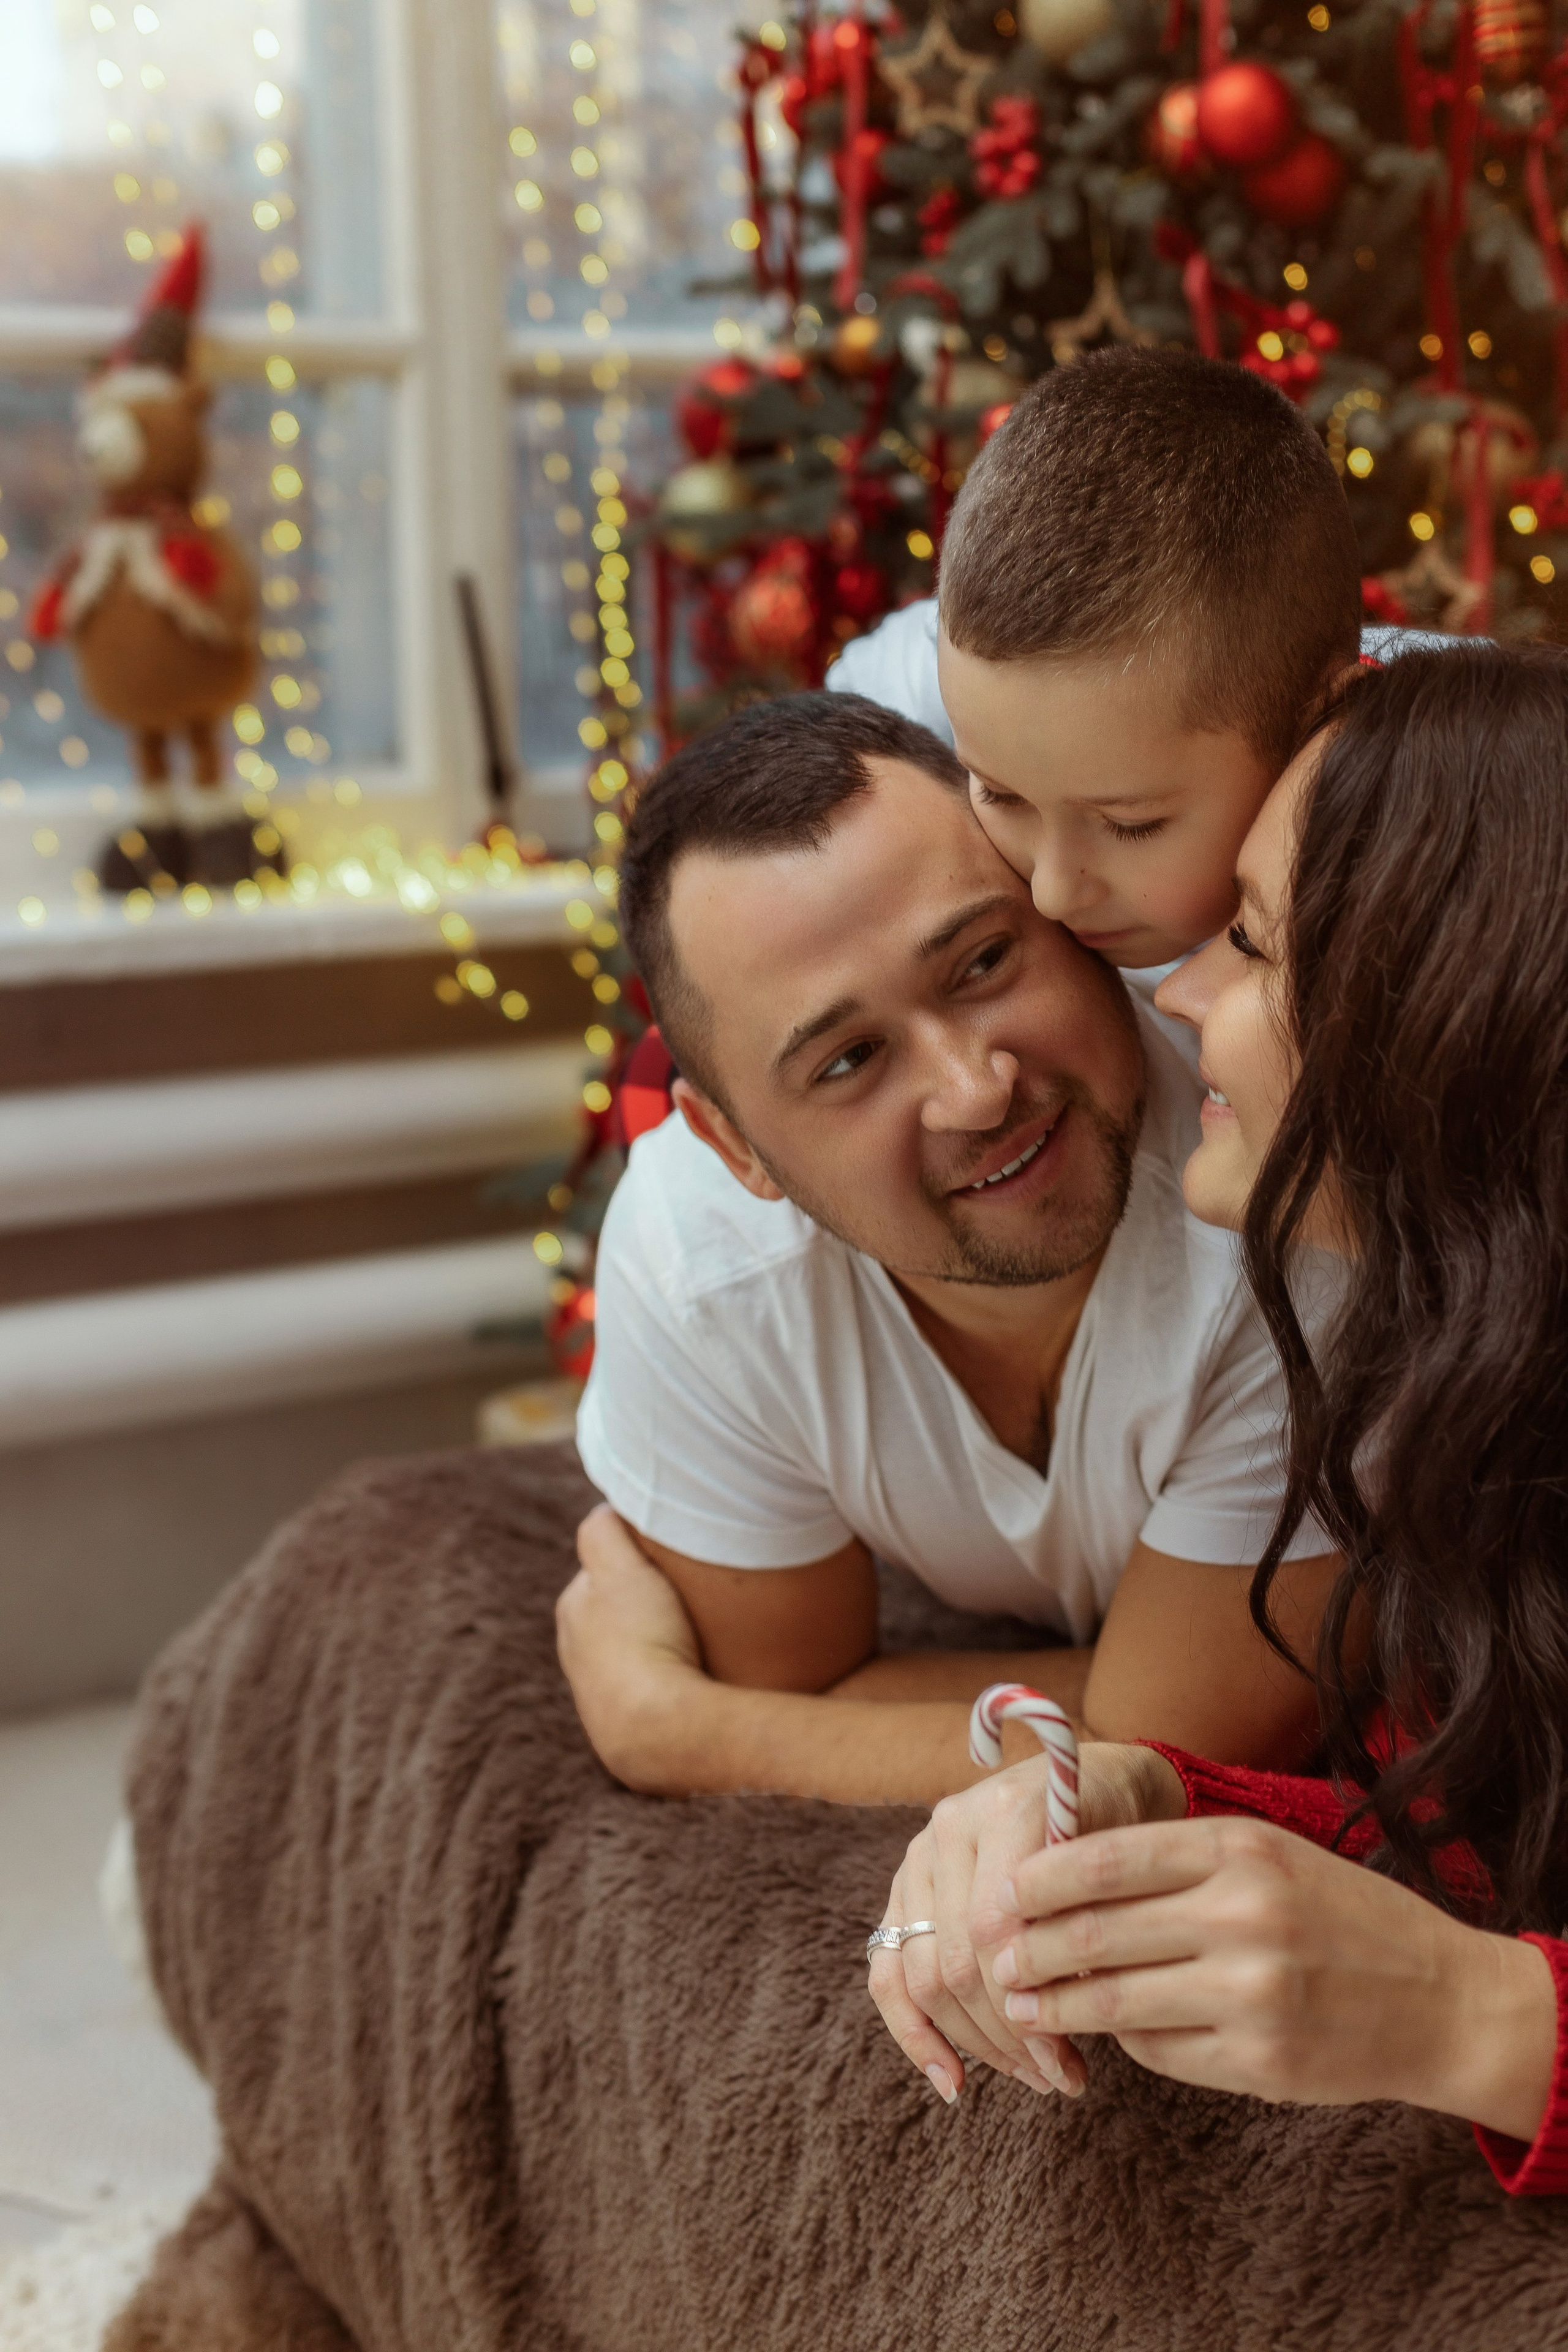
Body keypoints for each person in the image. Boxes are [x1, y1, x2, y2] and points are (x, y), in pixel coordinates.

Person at [869, 643, 1568, 2191]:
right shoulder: (1471, 1420)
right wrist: (1142, 1790)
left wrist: (1482, 2016)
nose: (1175, 993)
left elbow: (1460, 1950)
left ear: (1441, 1022)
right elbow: (1450, 1817)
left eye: (1246, 941)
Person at [556, 689, 1338, 1827]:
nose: (978, 1090)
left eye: (981, 963)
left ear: (1062, 911)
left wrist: (678, 1729)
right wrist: (1130, 1701)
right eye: (849, 1060)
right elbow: (809, 1678)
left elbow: (1177, 1747)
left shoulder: (1279, 1176)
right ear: (735, 1146)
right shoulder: (699, 1260)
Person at [830, 347, 1441, 1028]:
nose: (1052, 892)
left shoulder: (1456, 919)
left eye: (1130, 826)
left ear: (1326, 725)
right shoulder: (931, 679)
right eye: (998, 794)